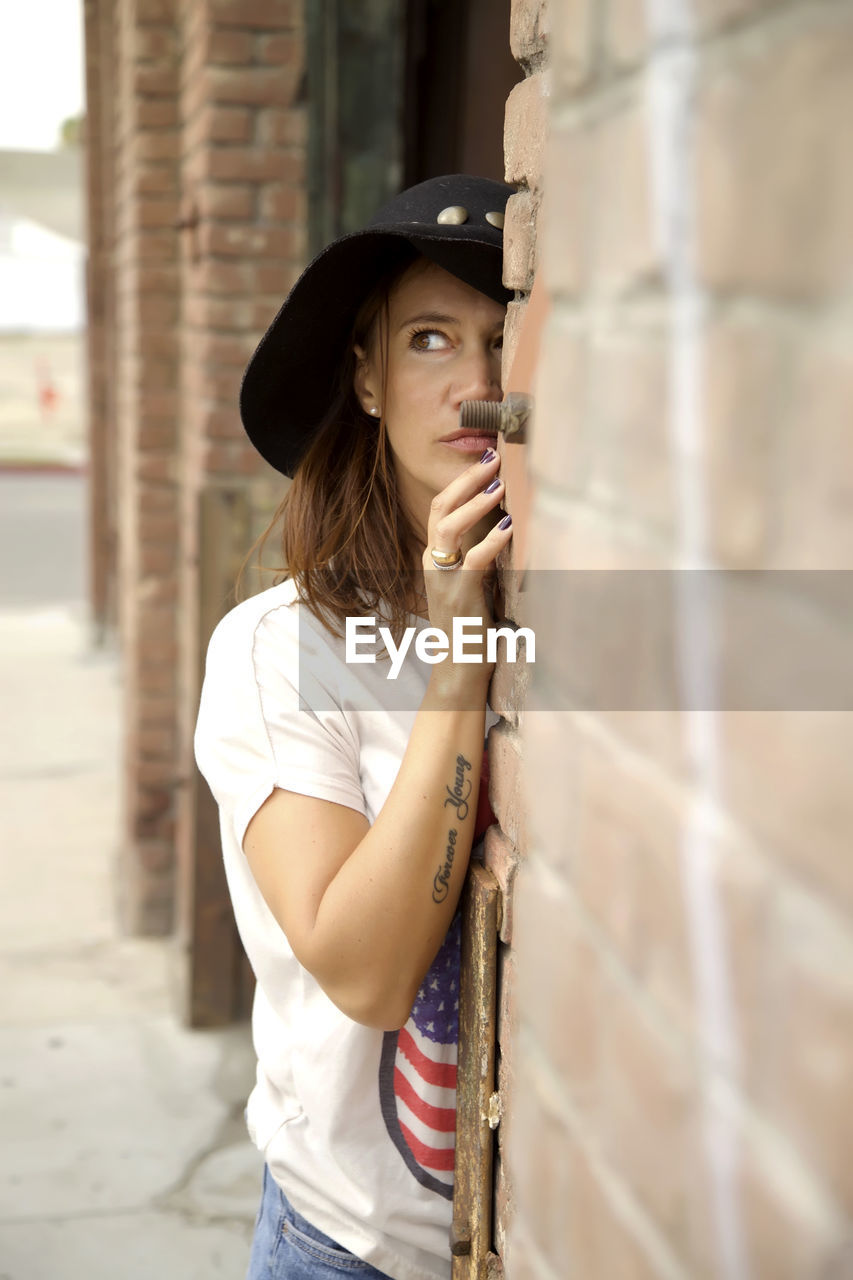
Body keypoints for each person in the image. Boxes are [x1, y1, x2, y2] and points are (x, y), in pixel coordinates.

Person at [194, 174, 514, 1280]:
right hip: (355, 1252)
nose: (477, 387)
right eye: (430, 339)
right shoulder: (279, 646)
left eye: (502, 341)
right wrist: (461, 653)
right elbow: (368, 973)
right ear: (367, 378)